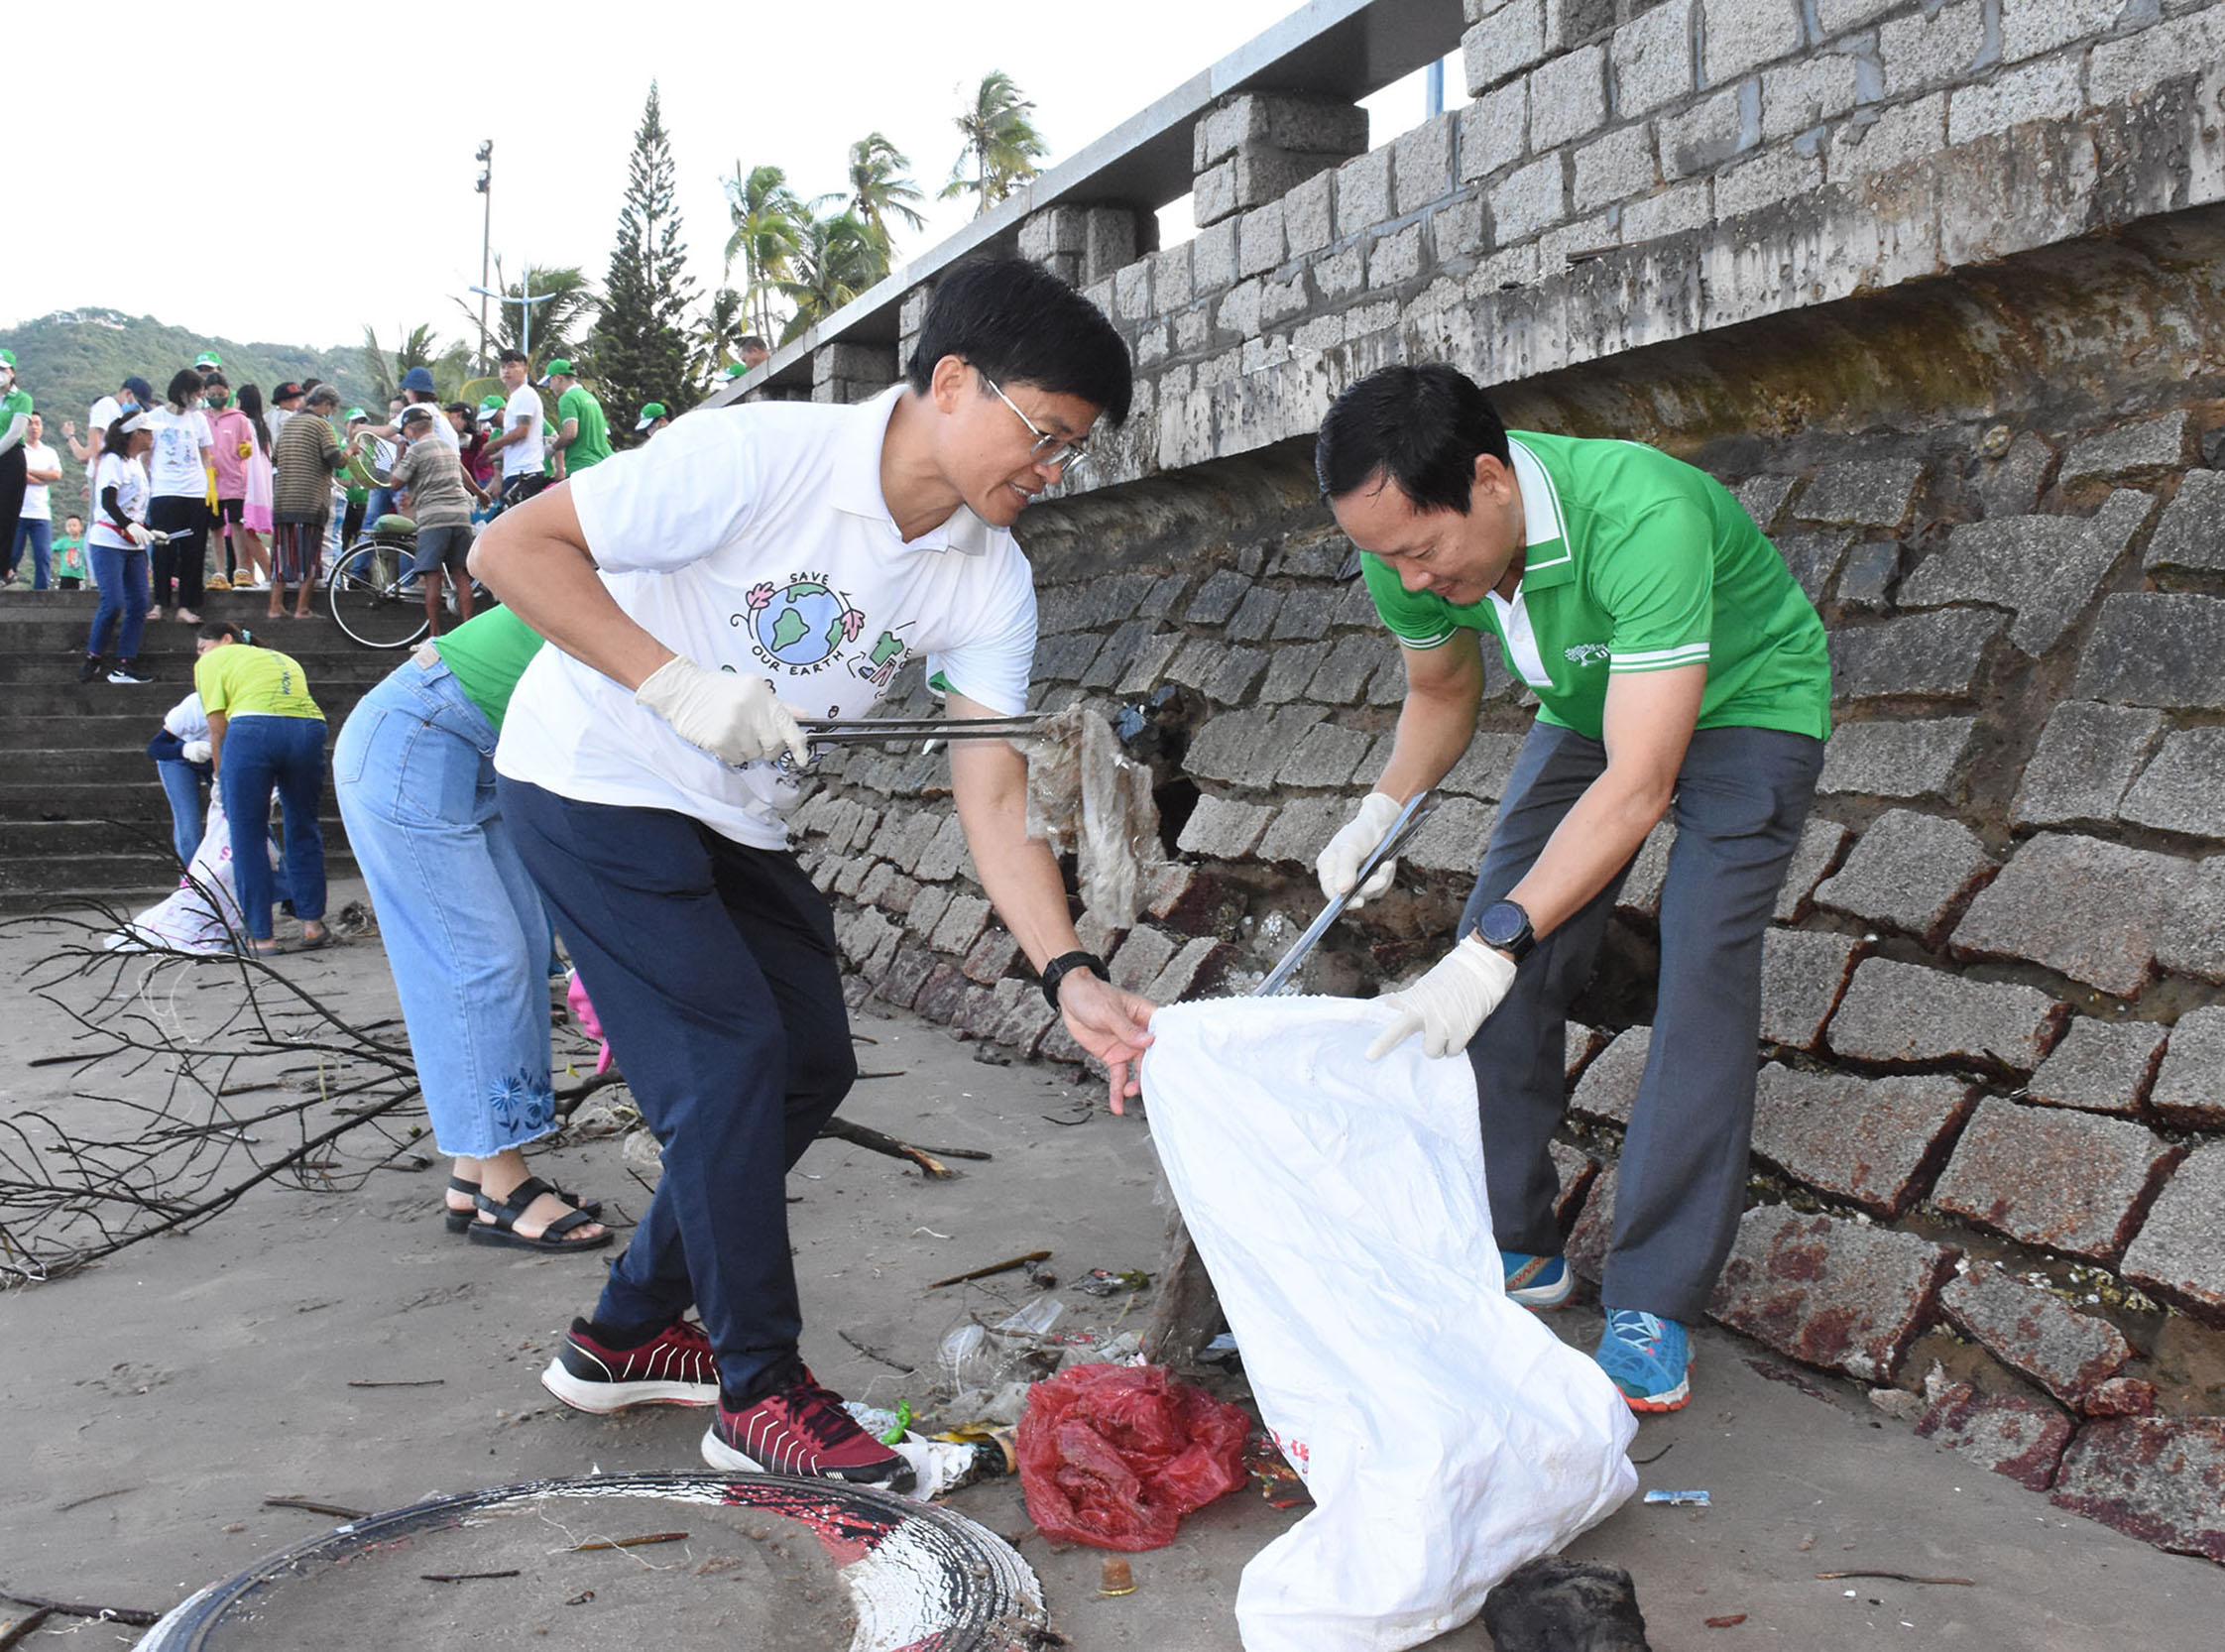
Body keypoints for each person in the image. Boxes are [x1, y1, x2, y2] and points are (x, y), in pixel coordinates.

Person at [475, 257, 1155, 1489]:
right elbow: (513, 549)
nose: (1051, 468)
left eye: (1073, 449)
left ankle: (625, 1333)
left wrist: (1068, 971)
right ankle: (760, 1393)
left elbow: (992, 794)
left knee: (809, 1063)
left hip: (737, 815)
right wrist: (672, 680)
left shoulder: (987, 576)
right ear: (954, 383)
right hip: (594, 774)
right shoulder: (758, 458)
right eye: (1045, 434)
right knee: (729, 1058)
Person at [1312, 364, 1831, 1415]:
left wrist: (1494, 942)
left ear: (1492, 482)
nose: (1407, 581)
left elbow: (1638, 785)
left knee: (1701, 968)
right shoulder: (1397, 542)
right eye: (1383, 558)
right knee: (1498, 939)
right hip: (1595, 705)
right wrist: (1380, 809)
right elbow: (1441, 690)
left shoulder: (1642, 514)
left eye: (1420, 552)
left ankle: (1652, 1297)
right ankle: (1515, 1241)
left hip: (1748, 701)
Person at [332, 602, 610, 1252]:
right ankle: (502, 1189)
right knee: (482, 964)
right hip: (416, 739)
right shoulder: (647, 566)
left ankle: (471, 1172)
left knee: (525, 950)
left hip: (489, 762)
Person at [194, 620, 328, 953]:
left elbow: (216, 727)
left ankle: (261, 936)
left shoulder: (210, 662)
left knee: (248, 833)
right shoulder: (281, 658)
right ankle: (312, 924)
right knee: (303, 825)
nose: (200, 654)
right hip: (309, 729)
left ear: (226, 639)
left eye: (202, 647)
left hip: (252, 731)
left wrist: (218, 776)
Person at [80, 412, 157, 683]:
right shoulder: (113, 461)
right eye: (148, 432)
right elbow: (108, 502)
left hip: (133, 543)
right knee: (113, 602)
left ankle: (125, 662)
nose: (151, 437)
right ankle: (94, 656)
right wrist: (128, 524)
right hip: (108, 540)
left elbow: (134, 506)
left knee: (138, 603)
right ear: (136, 434)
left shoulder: (136, 464)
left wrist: (146, 529)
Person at [389, 406, 476, 635]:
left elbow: (395, 483)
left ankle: (434, 635)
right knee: (461, 574)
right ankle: (467, 631)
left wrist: (399, 453)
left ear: (409, 429)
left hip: (434, 519)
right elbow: (464, 474)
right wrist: (481, 493)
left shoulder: (415, 451)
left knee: (432, 576)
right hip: (460, 516)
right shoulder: (448, 446)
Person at [271, 385, 350, 620]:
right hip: (309, 501)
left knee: (282, 555)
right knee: (309, 557)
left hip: (283, 500)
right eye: (332, 408)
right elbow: (336, 459)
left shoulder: (290, 424)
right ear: (325, 404)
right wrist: (351, 451)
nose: (331, 412)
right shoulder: (321, 425)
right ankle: (302, 609)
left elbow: (275, 457)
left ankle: (275, 607)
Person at [146, 369, 215, 624]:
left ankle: (187, 605)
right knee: (163, 548)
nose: (199, 397)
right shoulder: (155, 417)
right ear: (183, 391)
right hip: (164, 490)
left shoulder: (198, 419)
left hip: (195, 492)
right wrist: (147, 485)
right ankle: (159, 603)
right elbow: (146, 454)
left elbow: (207, 454)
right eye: (196, 392)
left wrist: (211, 486)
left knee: (193, 550)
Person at [149, 688, 215, 868]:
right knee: (189, 828)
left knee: (242, 817)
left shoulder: (250, 709)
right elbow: (155, 747)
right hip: (178, 758)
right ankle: (191, 887)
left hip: (218, 760)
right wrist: (185, 750)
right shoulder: (196, 705)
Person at [202, 372, 255, 586]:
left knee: (236, 525)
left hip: (235, 481)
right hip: (211, 484)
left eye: (220, 393)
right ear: (205, 394)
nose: (216, 396)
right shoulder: (200, 418)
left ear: (228, 393)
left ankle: (241, 569)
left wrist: (246, 449)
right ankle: (219, 572)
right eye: (212, 393)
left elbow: (247, 442)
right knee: (215, 528)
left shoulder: (239, 418)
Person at [480, 349, 545, 509]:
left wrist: (494, 445)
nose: (506, 371)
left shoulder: (525, 394)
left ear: (525, 369)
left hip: (525, 471)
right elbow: (519, 442)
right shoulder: (515, 397)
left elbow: (522, 431)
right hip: (515, 470)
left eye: (511, 366)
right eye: (503, 367)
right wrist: (494, 456)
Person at [536, 360, 610, 481]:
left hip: (581, 464)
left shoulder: (567, 398)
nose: (550, 387)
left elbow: (570, 434)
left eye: (550, 381)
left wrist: (553, 448)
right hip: (602, 462)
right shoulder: (589, 397)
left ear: (558, 378)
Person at [233, 385, 277, 588]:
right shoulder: (261, 427)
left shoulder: (243, 424)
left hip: (243, 486)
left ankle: (270, 575)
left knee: (244, 532)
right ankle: (247, 576)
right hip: (257, 487)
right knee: (243, 532)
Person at [12, 413, 61, 588]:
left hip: (41, 513)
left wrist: (29, 470)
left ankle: (42, 592)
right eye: (30, 423)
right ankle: (7, 587)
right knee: (13, 554)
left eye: (38, 423)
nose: (34, 427)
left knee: (43, 555)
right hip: (18, 511)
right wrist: (44, 478)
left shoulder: (49, 452)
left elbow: (56, 475)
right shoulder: (16, 450)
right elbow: (20, 475)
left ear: (42, 427)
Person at [0, 351, 31, 578]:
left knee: (7, 515)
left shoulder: (22, 399)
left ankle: (3, 570)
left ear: (12, 372)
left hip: (11, 459)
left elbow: (14, 434)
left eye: (3, 369)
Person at [55, 514, 88, 590]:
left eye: (74, 525)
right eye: (69, 526)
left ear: (81, 527)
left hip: (79, 575)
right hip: (65, 575)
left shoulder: (84, 542)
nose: (71, 528)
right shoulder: (63, 541)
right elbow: (52, 549)